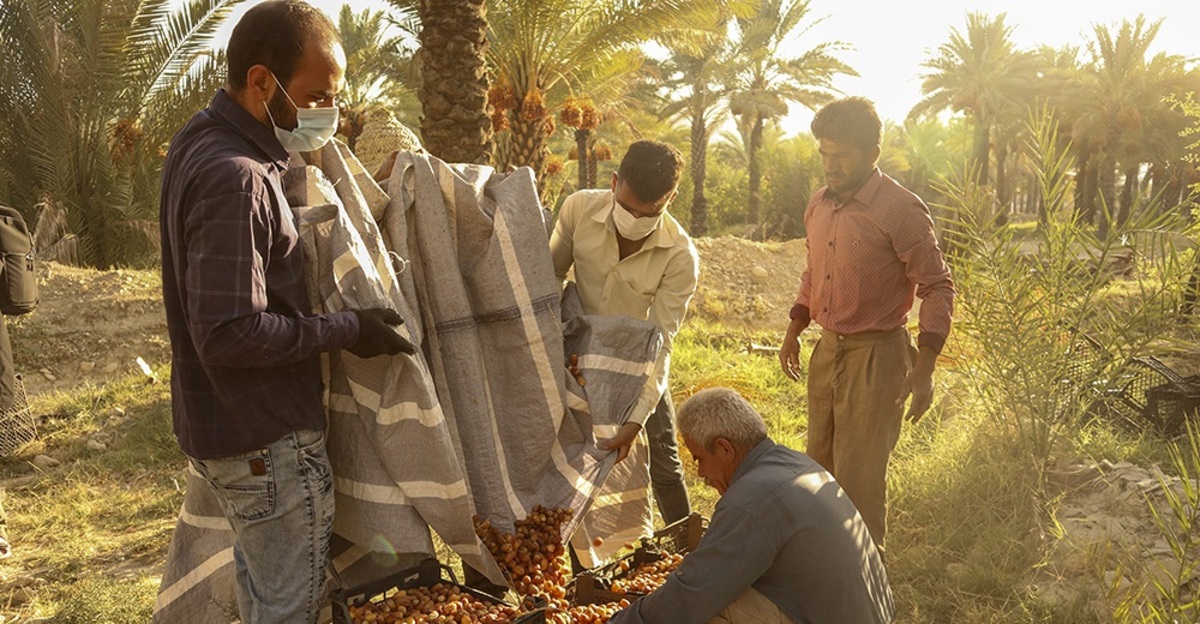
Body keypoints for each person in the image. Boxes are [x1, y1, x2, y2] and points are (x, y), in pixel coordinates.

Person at [158, 2, 412, 622]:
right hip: (264, 441)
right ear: (262, 82)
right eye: (317, 94)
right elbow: (229, 331)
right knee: (289, 609)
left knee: (265, 595)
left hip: (229, 434)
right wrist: (349, 328)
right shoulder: (236, 176)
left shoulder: (201, 142)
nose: (330, 110)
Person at [778, 96, 955, 553]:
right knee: (818, 471)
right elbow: (814, 271)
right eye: (824, 155)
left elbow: (937, 286)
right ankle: (823, 575)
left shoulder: (900, 209)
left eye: (841, 157)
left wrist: (926, 367)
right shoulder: (818, 205)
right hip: (826, 352)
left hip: (878, 358)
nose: (830, 167)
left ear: (872, 154)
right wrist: (796, 327)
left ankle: (866, 588)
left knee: (860, 483)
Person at [610, 388, 893, 624]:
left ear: (724, 449)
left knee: (706, 611)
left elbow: (693, 592)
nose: (700, 473)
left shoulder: (751, 499)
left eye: (698, 459)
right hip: (868, 613)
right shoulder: (793, 462)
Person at [549, 140, 699, 524]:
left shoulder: (680, 256)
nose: (634, 218)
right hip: (576, 350)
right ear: (614, 182)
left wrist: (636, 419)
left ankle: (683, 549)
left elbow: (662, 342)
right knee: (572, 458)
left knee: (664, 461)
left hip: (637, 362)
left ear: (672, 198)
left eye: (648, 212)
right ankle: (582, 570)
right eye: (627, 207)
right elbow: (548, 278)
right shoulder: (579, 208)